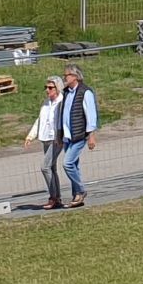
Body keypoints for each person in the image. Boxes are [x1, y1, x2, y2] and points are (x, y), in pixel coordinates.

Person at [56, 64, 98, 207]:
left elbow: (91, 115)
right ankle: (77, 197)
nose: (64, 78)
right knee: (74, 165)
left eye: (66, 75)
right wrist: (60, 135)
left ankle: (81, 190)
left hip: (79, 135)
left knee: (67, 164)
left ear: (75, 76)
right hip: (68, 136)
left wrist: (91, 135)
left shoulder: (85, 92)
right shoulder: (66, 92)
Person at [22, 75, 66, 208]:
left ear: (58, 88)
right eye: (46, 87)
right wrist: (31, 136)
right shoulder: (46, 102)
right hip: (45, 138)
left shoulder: (61, 102)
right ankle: (57, 197)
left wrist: (60, 137)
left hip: (56, 139)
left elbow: (62, 121)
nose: (47, 90)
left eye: (50, 87)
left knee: (45, 167)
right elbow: (39, 120)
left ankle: (53, 197)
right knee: (51, 168)